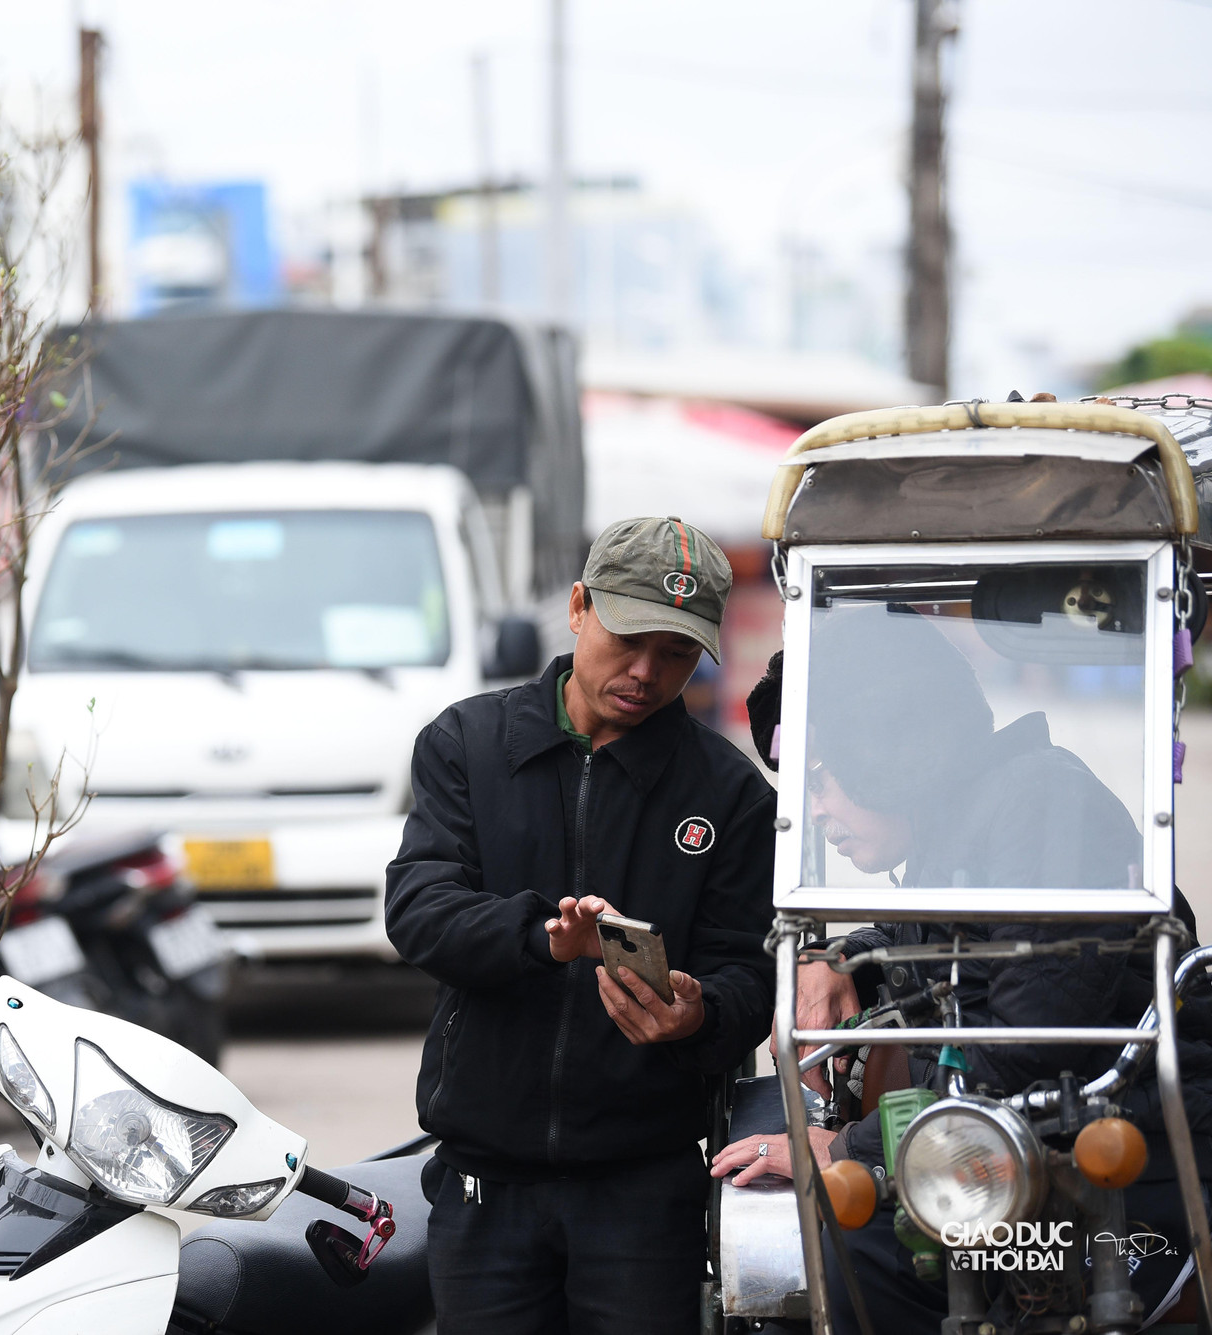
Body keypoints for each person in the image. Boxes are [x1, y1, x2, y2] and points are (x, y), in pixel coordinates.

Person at [715, 608, 1212, 1332]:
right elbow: (950, 945)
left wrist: (839, 1145)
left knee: (848, 1260)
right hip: (1020, 1163)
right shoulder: (965, 825)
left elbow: (1027, 1048)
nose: (816, 810)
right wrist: (842, 961)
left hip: (1127, 1173)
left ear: (888, 747)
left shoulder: (1041, 803)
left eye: (821, 780)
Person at [386, 516, 777, 1335]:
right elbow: (419, 909)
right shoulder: (467, 743)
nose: (646, 672)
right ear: (577, 606)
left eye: (676, 653)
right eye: (630, 639)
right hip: (483, 1184)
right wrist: (539, 938)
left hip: (644, 1189)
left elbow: (748, 974)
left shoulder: (731, 795)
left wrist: (697, 1012)